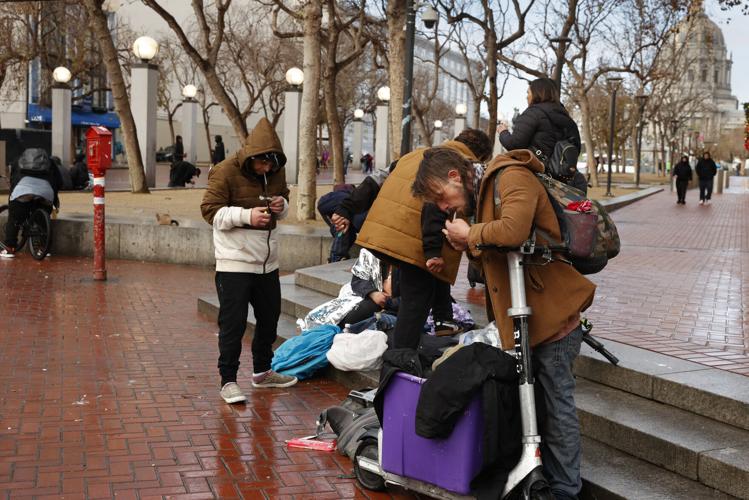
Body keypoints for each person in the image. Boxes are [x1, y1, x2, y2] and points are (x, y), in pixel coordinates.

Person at [412, 147, 596, 500]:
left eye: (440, 196)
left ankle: (565, 489)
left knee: (557, 406)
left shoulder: (511, 176)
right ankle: (542, 475)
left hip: (552, 317)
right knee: (540, 404)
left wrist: (471, 236)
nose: (443, 206)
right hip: (525, 320)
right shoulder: (480, 194)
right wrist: (466, 243)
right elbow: (492, 255)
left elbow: (513, 231)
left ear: (455, 176)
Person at [334, 129, 493, 351]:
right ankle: (400, 360)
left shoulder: (416, 154)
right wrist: (432, 253)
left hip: (388, 233)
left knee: (422, 289)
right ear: (480, 155)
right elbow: (434, 209)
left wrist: (347, 208)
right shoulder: (456, 165)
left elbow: (374, 181)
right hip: (415, 242)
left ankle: (440, 324)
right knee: (416, 303)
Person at [200, 117, 298, 404]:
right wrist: (247, 216)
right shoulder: (224, 171)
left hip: (268, 263)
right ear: (251, 156)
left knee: (269, 319)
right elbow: (210, 212)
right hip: (234, 263)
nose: (266, 169)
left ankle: (262, 372)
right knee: (233, 324)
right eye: (262, 163)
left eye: (271, 164)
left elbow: (284, 202)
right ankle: (228, 380)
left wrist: (282, 206)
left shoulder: (276, 172)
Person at [497, 77, 582, 186]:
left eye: (528, 92)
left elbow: (514, 144)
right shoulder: (566, 117)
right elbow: (576, 148)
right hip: (562, 179)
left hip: (536, 177)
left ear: (537, 93)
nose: (526, 96)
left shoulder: (533, 113)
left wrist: (503, 132)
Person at [2, 148, 63, 258]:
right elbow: (59, 182)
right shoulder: (50, 162)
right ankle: (43, 248)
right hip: (46, 192)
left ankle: (9, 248)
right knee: (42, 217)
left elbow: (14, 180)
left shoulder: (18, 161)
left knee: (14, 217)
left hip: (23, 191)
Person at [317, 184, 366, 262]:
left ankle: (337, 257)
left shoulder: (335, 197)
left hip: (327, 206)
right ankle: (336, 258)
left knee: (343, 229)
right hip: (337, 208)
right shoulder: (347, 198)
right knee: (342, 228)